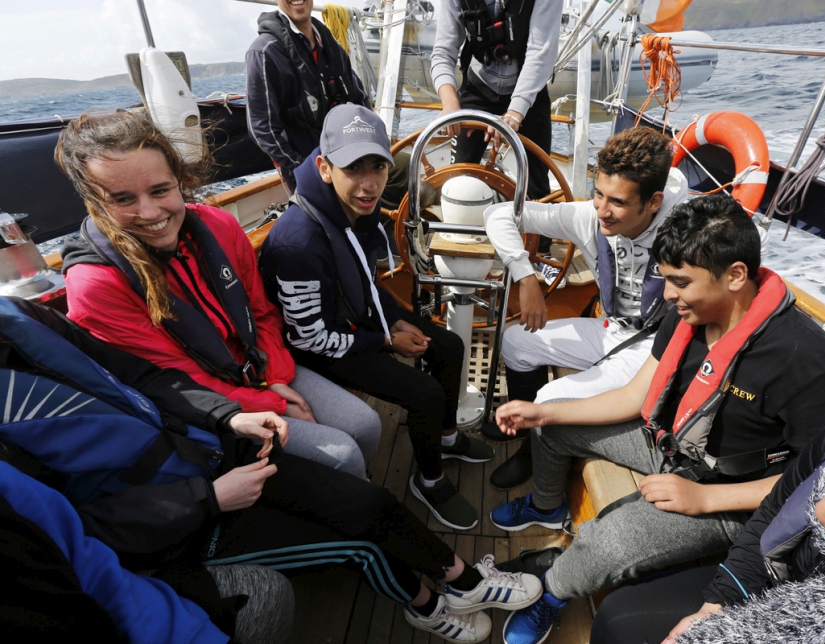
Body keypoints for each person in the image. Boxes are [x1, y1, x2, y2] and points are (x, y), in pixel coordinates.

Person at [0, 295, 543, 643]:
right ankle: (426, 607)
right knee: (360, 543)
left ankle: (465, 581)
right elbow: (69, 534)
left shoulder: (22, 318)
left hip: (210, 454)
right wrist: (208, 500)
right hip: (177, 530)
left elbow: (144, 377)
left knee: (370, 503)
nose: (152, 209)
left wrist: (229, 417)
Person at [488, 194, 825, 644]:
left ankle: (550, 594)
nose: (668, 294)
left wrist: (704, 500)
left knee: (611, 541)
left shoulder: (810, 362)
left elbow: (819, 480)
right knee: (552, 426)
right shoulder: (688, 314)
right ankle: (548, 508)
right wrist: (543, 411)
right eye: (666, 279)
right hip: (673, 444)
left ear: (735, 276)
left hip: (735, 494)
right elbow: (634, 395)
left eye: (680, 282)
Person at [58, 110, 381, 481]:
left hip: (260, 369)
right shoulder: (96, 286)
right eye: (123, 200)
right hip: (203, 408)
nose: (150, 213)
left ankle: (355, 493)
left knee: (366, 424)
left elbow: (261, 312)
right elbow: (174, 379)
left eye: (161, 190)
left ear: (179, 180)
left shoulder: (219, 225)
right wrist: (271, 402)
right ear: (94, 202)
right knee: (341, 457)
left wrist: (275, 375)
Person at [259, 103, 494, 531]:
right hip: (317, 347)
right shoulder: (297, 245)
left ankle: (445, 436)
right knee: (422, 392)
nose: (369, 185)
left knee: (448, 345)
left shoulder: (354, 211)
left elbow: (364, 280)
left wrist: (394, 318)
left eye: (378, 168)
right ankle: (429, 479)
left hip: (354, 320)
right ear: (325, 168)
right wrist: (386, 341)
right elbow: (310, 339)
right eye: (354, 170)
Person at [590, 411, 825, 644]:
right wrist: (716, 605)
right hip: (772, 576)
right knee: (618, 613)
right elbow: (776, 506)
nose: (820, 511)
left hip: (805, 610)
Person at [481, 126, 689, 489]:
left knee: (549, 397)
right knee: (515, 342)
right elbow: (500, 215)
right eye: (598, 195)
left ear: (654, 201)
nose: (603, 211)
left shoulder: (687, 230)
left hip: (657, 349)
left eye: (618, 202)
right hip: (614, 330)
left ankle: (541, 471)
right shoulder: (590, 218)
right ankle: (528, 441)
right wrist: (525, 276)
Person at [0, 459, 295, 643]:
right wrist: (204, 498)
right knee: (270, 593)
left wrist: (232, 412)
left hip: (206, 465)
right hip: (170, 518)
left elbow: (81, 550)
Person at [431, 0, 564, 278]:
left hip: (528, 90)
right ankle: (456, 244)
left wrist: (515, 113)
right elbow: (443, 52)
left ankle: (542, 252)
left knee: (537, 179)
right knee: (459, 175)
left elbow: (541, 50)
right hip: (477, 86)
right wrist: (449, 104)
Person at [245, 0, 409, 212]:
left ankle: (384, 233)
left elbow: (359, 100)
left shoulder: (330, 46)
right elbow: (262, 129)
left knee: (404, 165)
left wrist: (375, 147)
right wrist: (303, 169)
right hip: (308, 164)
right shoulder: (264, 52)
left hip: (351, 155)